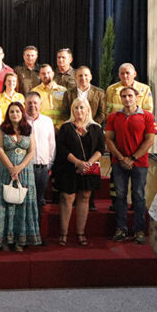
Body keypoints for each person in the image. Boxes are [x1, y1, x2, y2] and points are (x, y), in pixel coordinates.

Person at [0, 102, 42, 251]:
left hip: (25, 173)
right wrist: (10, 168)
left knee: (22, 204)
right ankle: (2, 240)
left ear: (22, 114)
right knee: (4, 204)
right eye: (12, 112)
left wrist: (19, 168)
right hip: (4, 171)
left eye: (17, 112)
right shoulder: (2, 131)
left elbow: (32, 151)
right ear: (8, 114)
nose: (14, 114)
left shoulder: (28, 130)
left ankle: (20, 241)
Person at [105, 86, 157, 244]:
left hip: (140, 163)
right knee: (119, 196)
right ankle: (121, 229)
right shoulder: (114, 116)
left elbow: (150, 140)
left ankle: (139, 231)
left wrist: (133, 158)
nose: (127, 99)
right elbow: (109, 139)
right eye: (123, 96)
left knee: (139, 196)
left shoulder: (147, 116)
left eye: (129, 95)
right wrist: (121, 158)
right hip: (118, 163)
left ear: (136, 97)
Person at [53, 98, 105, 246]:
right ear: (72, 110)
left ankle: (80, 233)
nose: (79, 111)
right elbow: (62, 148)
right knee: (67, 198)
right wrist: (77, 162)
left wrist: (87, 164)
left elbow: (101, 148)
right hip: (68, 168)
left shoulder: (96, 128)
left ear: (88, 109)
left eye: (82, 108)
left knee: (84, 197)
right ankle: (63, 234)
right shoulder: (66, 127)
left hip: (88, 168)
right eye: (76, 108)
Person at [24, 92, 56, 227]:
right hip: (24, 168)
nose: (32, 106)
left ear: (40, 104)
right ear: (25, 105)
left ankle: (36, 234)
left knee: (38, 201)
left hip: (41, 169)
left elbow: (52, 145)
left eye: (35, 103)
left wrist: (48, 165)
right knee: (24, 202)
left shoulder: (47, 121)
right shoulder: (20, 121)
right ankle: (23, 234)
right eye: (29, 103)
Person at [32, 64, 67, 128]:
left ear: (53, 74)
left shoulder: (63, 91)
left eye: (48, 73)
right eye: (43, 73)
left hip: (62, 128)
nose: (46, 75)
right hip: (42, 128)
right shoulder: (34, 92)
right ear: (39, 75)